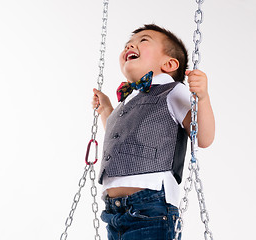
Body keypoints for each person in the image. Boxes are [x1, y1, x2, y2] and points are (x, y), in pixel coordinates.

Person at [91, 24, 215, 240]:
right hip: (113, 211)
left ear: (169, 64)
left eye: (143, 40)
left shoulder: (173, 91)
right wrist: (106, 109)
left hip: (150, 205)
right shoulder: (127, 101)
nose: (131, 45)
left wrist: (202, 98)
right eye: (128, 43)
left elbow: (202, 137)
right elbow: (120, 136)